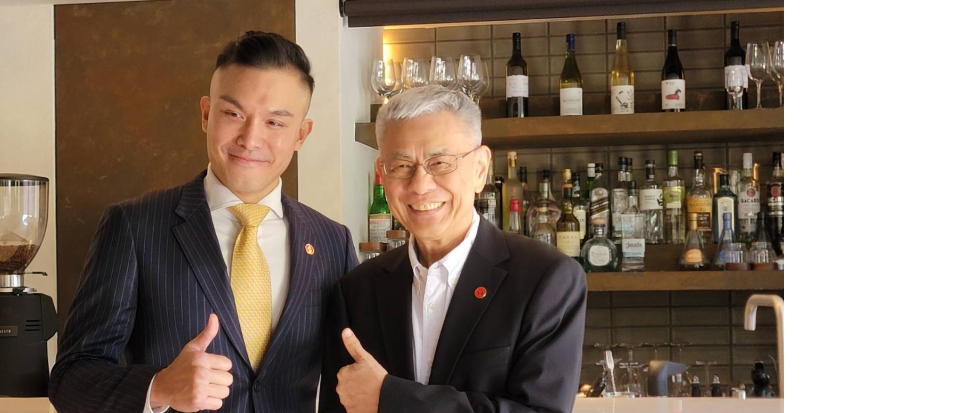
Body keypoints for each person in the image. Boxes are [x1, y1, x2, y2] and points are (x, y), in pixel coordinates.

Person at [49, 31, 358, 413]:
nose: (250, 138)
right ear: (207, 114)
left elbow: (352, 379)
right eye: (234, 114)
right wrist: (158, 388)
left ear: (301, 134)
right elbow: (70, 379)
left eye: (275, 123)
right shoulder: (133, 226)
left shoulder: (331, 241)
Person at [319, 85, 587, 413]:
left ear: (480, 169)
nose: (420, 185)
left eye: (440, 163)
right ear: (381, 174)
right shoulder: (356, 290)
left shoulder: (545, 279)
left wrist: (391, 398)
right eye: (401, 166)